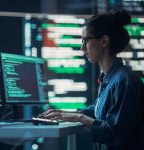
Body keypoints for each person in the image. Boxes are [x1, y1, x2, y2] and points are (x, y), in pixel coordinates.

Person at [41, 9, 144, 150]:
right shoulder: (110, 78)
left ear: (104, 41)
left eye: (86, 40)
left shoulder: (124, 82)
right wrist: (65, 113)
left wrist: (80, 118)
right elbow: (96, 110)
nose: (82, 48)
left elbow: (113, 135)